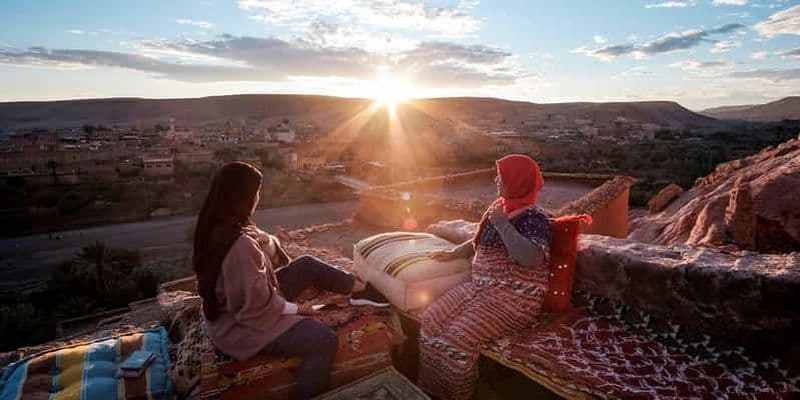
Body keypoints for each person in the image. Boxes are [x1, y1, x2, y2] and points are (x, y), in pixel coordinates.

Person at [192, 162, 373, 400]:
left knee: (306, 264)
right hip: (240, 326)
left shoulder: (220, 224)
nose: (258, 197)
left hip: (250, 302)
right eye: (256, 192)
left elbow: (271, 264)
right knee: (323, 340)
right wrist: (299, 309)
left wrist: (265, 239)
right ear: (243, 196)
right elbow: (256, 308)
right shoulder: (240, 246)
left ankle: (356, 287)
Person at [418, 154, 552, 400]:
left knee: (456, 340)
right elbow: (478, 241)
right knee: (429, 321)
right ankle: (431, 390)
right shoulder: (501, 208)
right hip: (480, 288)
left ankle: (456, 395)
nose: (496, 180)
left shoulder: (535, 218)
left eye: (501, 176)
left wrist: (502, 224)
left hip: (514, 298)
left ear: (517, 181)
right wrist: (453, 253)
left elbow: (531, 257)